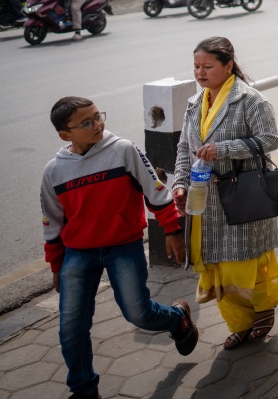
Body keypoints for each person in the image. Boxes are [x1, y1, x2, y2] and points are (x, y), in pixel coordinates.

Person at [42, 96, 199, 398]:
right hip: (78, 253)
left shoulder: (123, 150)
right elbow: (52, 223)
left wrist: (172, 230)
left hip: (123, 246)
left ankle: (177, 318)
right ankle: (84, 390)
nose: (97, 124)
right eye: (86, 123)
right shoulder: (54, 171)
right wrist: (56, 265)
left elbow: (156, 191)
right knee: (71, 329)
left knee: (138, 314)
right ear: (66, 135)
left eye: (98, 116)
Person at [172, 37, 278, 349]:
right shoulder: (195, 105)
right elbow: (185, 148)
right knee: (216, 263)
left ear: (228, 66)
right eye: (196, 66)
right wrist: (179, 184)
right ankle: (238, 323)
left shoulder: (251, 100)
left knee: (245, 260)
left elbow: (270, 139)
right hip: (204, 199)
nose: (200, 73)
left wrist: (222, 150)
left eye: (207, 66)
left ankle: (262, 312)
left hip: (242, 195)